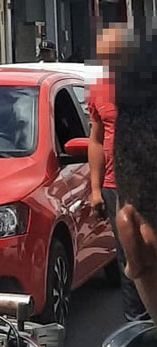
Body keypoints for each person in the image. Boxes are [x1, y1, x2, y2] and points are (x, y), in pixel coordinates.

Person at [88, 24, 148, 322]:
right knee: (128, 258)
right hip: (115, 186)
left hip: (148, 181)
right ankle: (136, 327)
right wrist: (95, 189)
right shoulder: (100, 89)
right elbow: (96, 140)